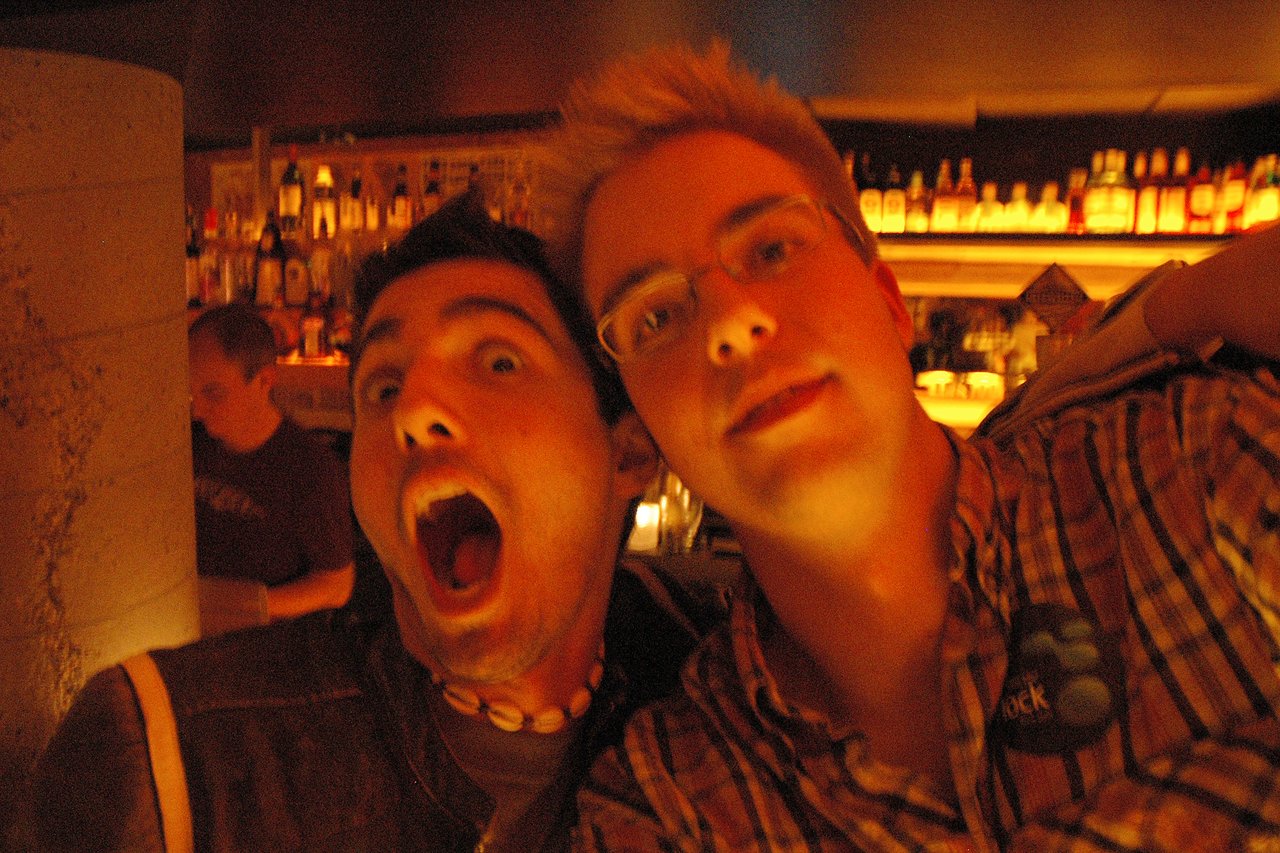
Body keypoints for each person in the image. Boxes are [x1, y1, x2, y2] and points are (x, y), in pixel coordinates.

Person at [541, 41, 1280, 851]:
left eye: (773, 250)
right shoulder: (663, 805)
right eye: (654, 316)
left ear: (888, 299)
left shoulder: (1200, 468)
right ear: (641, 436)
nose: (729, 323)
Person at [35, 189, 716, 851]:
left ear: (628, 451)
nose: (413, 410)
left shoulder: (717, 679)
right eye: (384, 388)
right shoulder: (166, 765)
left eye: (500, 361)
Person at [187, 305, 355, 632]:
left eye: (213, 393)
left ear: (265, 380)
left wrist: (241, 606)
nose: (199, 410)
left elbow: (336, 586)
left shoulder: (309, 469)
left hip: (266, 644)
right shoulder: (190, 444)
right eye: (192, 394)